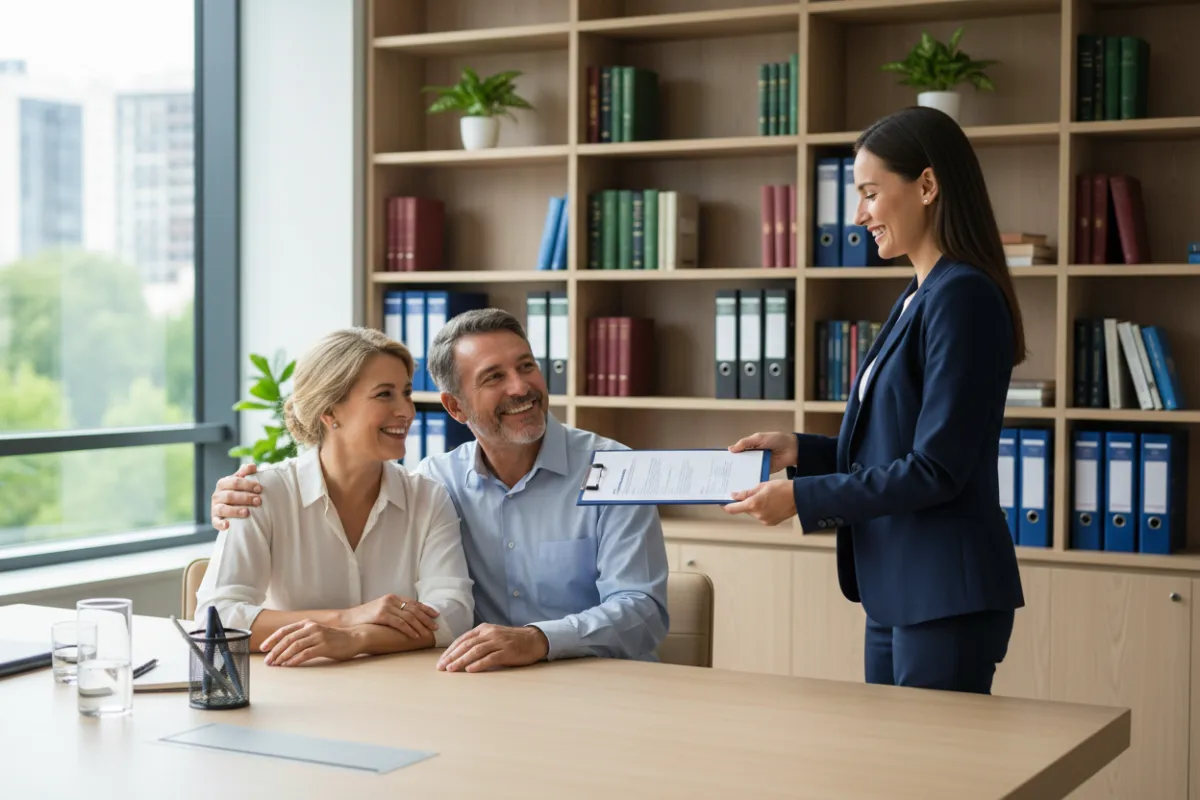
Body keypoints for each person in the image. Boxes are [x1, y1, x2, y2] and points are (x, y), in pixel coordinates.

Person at [725, 106, 1026, 695]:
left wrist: (802, 499)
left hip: (944, 596)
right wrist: (802, 452)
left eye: (869, 192)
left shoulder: (962, 296)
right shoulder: (919, 293)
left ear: (928, 185)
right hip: (898, 590)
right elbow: (892, 444)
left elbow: (936, 468)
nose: (859, 214)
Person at [210, 309, 670, 673]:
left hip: (604, 683)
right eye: (494, 377)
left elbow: (643, 612)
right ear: (453, 406)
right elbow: (216, 617)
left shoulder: (615, 470)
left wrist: (538, 638)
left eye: (527, 366)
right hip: (471, 686)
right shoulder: (438, 479)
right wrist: (350, 622)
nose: (521, 386)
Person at [194, 327, 474, 668]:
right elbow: (216, 620)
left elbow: (453, 615)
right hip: (292, 696)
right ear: (330, 412)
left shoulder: (428, 498)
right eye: (385, 394)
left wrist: (355, 639)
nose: (407, 411)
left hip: (400, 695)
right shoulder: (261, 495)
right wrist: (348, 618)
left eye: (406, 392)